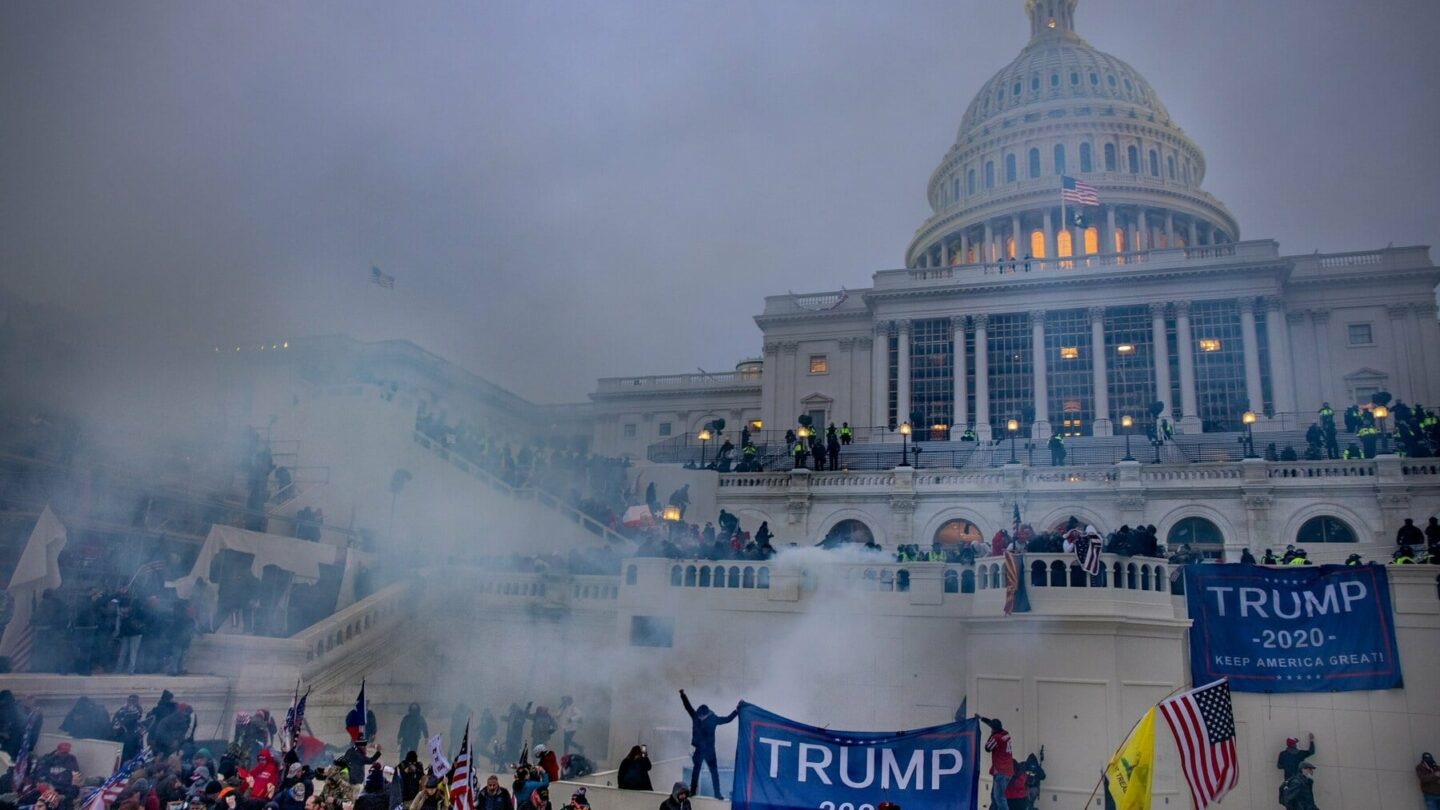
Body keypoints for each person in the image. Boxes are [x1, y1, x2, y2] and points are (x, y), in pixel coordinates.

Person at [679, 690, 737, 799]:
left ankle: (717, 793)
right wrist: (683, 695)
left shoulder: (713, 719)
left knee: (714, 772)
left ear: (706, 715)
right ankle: (692, 791)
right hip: (699, 749)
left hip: (710, 750)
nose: (699, 718)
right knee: (696, 771)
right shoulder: (696, 716)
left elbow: (727, 719)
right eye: (699, 716)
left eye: (701, 717)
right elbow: (688, 706)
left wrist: (737, 711)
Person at [981, 717, 1014, 810]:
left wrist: (991, 735)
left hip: (1001, 771)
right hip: (1008, 770)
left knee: (999, 798)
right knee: (994, 796)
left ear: (993, 730)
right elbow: (994, 726)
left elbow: (987, 748)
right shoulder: (1006, 734)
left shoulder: (996, 738)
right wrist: (982, 719)